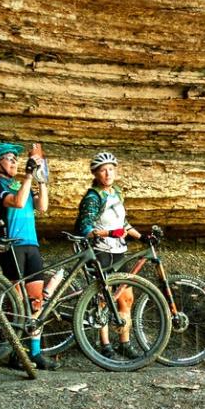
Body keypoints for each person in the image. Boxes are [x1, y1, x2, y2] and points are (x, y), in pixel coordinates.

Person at [0, 140, 59, 371]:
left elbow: (43, 206)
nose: (15, 162)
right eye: (9, 159)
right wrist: (28, 177)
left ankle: (35, 353)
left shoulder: (21, 184)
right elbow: (17, 203)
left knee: (35, 302)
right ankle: (17, 352)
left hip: (31, 244)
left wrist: (41, 177)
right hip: (12, 246)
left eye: (16, 159)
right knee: (18, 304)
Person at [75, 151, 143, 359]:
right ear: (96, 173)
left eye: (111, 169)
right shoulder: (93, 197)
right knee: (103, 299)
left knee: (126, 298)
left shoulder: (117, 193)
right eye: (103, 170)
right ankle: (105, 345)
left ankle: (124, 342)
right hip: (101, 251)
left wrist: (141, 236)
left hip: (119, 251)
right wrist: (107, 233)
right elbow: (85, 227)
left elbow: (122, 223)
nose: (108, 173)